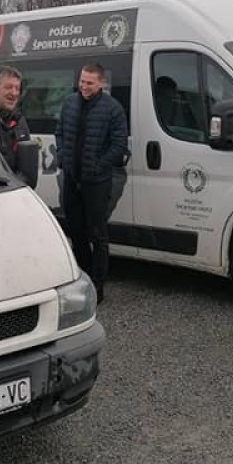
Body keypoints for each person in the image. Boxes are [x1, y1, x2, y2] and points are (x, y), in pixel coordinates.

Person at [56, 62, 128, 303]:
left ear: (101, 83)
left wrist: (98, 166)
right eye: (81, 81)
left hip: (97, 182)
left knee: (98, 234)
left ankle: (98, 286)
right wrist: (63, 158)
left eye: (89, 82)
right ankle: (84, 279)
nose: (84, 86)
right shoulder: (69, 103)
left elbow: (119, 145)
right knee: (75, 231)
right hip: (71, 179)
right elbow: (60, 132)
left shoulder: (113, 108)